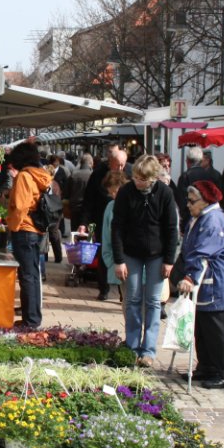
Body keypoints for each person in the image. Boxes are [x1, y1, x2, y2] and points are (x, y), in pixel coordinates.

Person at [111, 154, 178, 367]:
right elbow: (117, 227)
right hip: (131, 253)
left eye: (142, 179)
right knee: (132, 299)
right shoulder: (126, 192)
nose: (138, 182)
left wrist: (169, 260)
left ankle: (148, 350)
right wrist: (119, 260)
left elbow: (171, 229)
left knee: (153, 302)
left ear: (153, 178)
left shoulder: (165, 193)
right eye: (136, 178)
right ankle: (132, 346)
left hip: (157, 254)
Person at [177, 180, 224, 389]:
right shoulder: (200, 217)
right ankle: (206, 366)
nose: (188, 205)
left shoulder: (213, 221)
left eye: (192, 201)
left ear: (205, 201)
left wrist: (190, 277)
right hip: (206, 282)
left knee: (217, 328)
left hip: (219, 282)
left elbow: (203, 251)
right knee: (202, 327)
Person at [6, 142, 53, 328]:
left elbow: (20, 205)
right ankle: (32, 318)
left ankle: (31, 320)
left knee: (27, 275)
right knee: (32, 274)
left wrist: (13, 226)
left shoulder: (25, 176)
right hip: (35, 229)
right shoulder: (39, 175)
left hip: (25, 229)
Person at [80, 146, 129, 301]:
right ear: (110, 162)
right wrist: (84, 222)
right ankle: (104, 288)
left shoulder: (131, 172)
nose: (121, 168)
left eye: (123, 164)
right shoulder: (98, 174)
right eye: (117, 164)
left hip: (125, 222)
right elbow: (88, 200)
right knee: (103, 252)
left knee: (123, 253)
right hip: (102, 219)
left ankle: (123, 291)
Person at [99, 170, 129, 302]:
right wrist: (109, 260)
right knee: (126, 298)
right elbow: (106, 236)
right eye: (110, 192)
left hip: (134, 260)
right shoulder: (110, 207)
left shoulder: (133, 204)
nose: (112, 195)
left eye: (115, 191)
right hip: (118, 260)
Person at [66, 153, 93, 233]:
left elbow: (67, 192)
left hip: (74, 207)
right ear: (91, 163)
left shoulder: (73, 175)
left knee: (75, 233)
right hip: (89, 210)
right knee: (88, 236)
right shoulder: (93, 175)